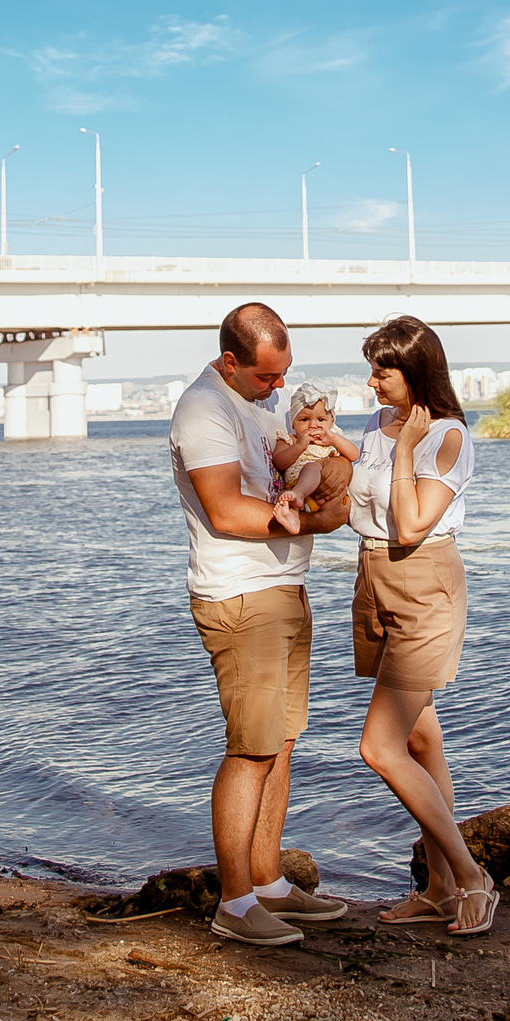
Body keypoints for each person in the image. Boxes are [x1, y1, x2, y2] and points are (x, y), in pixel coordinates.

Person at [169, 301, 358, 946]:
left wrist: (326, 471)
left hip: (284, 586)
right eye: (266, 378)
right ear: (230, 362)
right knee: (250, 747)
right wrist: (320, 521)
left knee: (280, 741)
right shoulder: (204, 411)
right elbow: (224, 511)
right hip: (240, 596)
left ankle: (270, 882)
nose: (279, 388)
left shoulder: (255, 402)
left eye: (284, 375)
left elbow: (295, 462)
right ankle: (234, 901)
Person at [347, 314, 495, 936]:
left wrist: (406, 449)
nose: (374, 381)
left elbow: (410, 526)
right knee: (420, 741)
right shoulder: (377, 425)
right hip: (374, 579)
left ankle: (471, 878)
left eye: (384, 370)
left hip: (422, 584)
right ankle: (436, 888)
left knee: (378, 748)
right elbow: (362, 503)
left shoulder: (447, 437)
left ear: (417, 370)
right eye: (373, 369)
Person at [269, 383, 355, 534]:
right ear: (293, 423)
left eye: (321, 420)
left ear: (331, 422)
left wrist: (334, 440)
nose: (313, 425)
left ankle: (299, 499)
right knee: (283, 498)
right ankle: (294, 519)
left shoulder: (331, 441)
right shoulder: (290, 440)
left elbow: (355, 454)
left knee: (312, 467)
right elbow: (279, 462)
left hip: (321, 494)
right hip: (296, 490)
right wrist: (299, 446)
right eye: (304, 420)